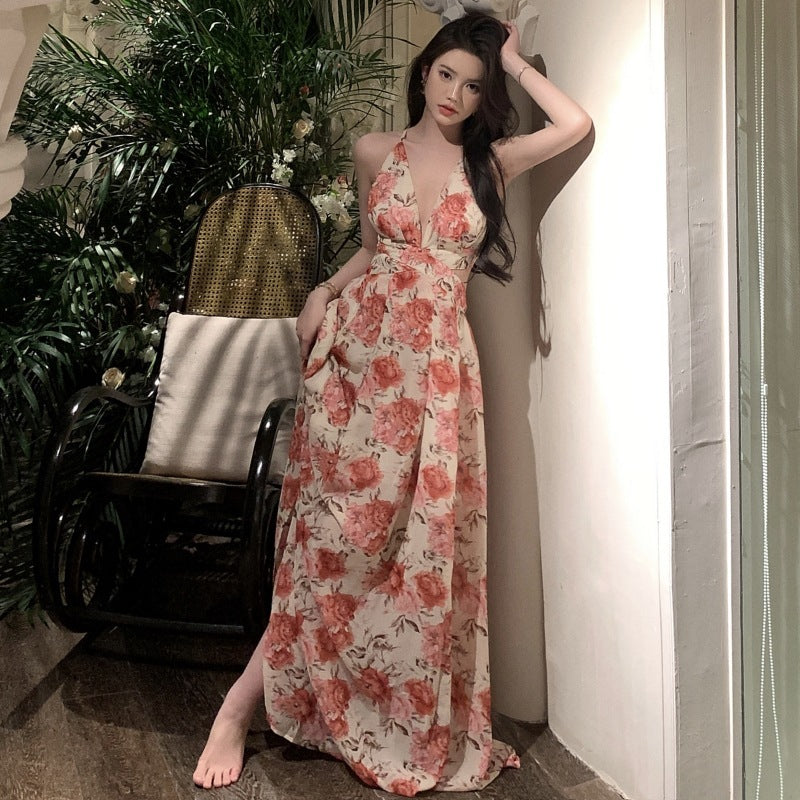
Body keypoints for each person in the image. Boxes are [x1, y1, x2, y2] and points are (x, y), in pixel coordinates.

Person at [193, 11, 591, 796]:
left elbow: (575, 125)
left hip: (439, 381)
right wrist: (322, 289)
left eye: (473, 86)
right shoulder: (376, 151)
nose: (455, 94)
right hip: (358, 368)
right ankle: (238, 707)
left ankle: (395, 718)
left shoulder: (492, 163)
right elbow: (374, 253)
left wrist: (512, 62)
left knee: (418, 554)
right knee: (328, 543)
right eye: (446, 74)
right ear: (423, 71)